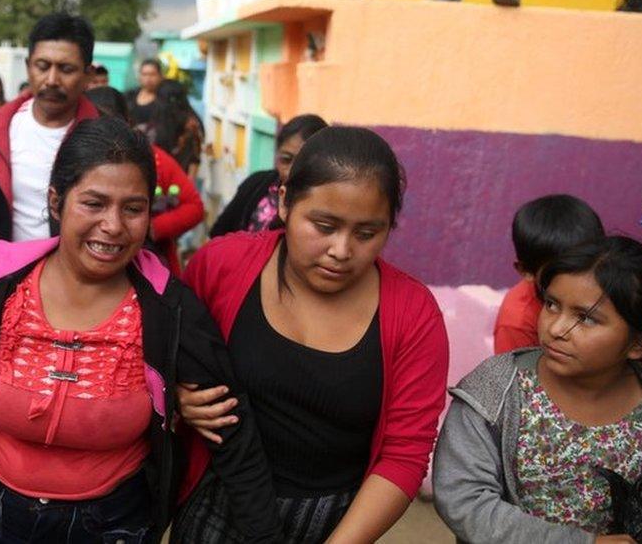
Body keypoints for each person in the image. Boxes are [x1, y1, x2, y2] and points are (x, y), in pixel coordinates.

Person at [0, 117, 280, 543]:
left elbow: (233, 431)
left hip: (114, 525)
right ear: (56, 202)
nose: (113, 225)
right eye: (93, 203)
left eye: (133, 208)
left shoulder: (169, 309)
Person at [174, 126, 449, 543]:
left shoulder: (414, 315)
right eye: (324, 225)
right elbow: (162, 355)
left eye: (366, 233)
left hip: (335, 523)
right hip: (217, 501)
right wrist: (177, 398)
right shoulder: (221, 266)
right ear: (285, 202)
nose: (341, 250)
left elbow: (404, 454)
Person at [434, 235, 642, 543]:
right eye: (552, 305)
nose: (555, 329)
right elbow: (464, 500)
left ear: (640, 343)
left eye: (585, 319)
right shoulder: (494, 390)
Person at [0, 12, 99, 246]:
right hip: (3, 277)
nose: (51, 79)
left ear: (88, 75)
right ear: (28, 66)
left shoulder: (107, 139)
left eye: (66, 69)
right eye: (42, 66)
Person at [85, 86, 204, 273]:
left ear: (127, 122)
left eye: (133, 208)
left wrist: (152, 227)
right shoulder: (69, 160)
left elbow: (194, 207)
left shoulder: (153, 159)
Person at [494, 194, 605, 355]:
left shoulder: (612, 287)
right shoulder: (517, 322)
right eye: (559, 270)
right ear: (526, 270)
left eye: (586, 264)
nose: (576, 278)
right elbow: (520, 378)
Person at [209, 114, 327, 238]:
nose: (290, 172)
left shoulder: (327, 204)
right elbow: (219, 232)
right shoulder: (255, 184)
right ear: (277, 153)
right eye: (286, 159)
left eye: (303, 163)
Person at [127, 59, 163, 130]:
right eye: (144, 74)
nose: (148, 79)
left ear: (160, 76)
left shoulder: (165, 98)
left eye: (152, 74)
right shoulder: (129, 96)